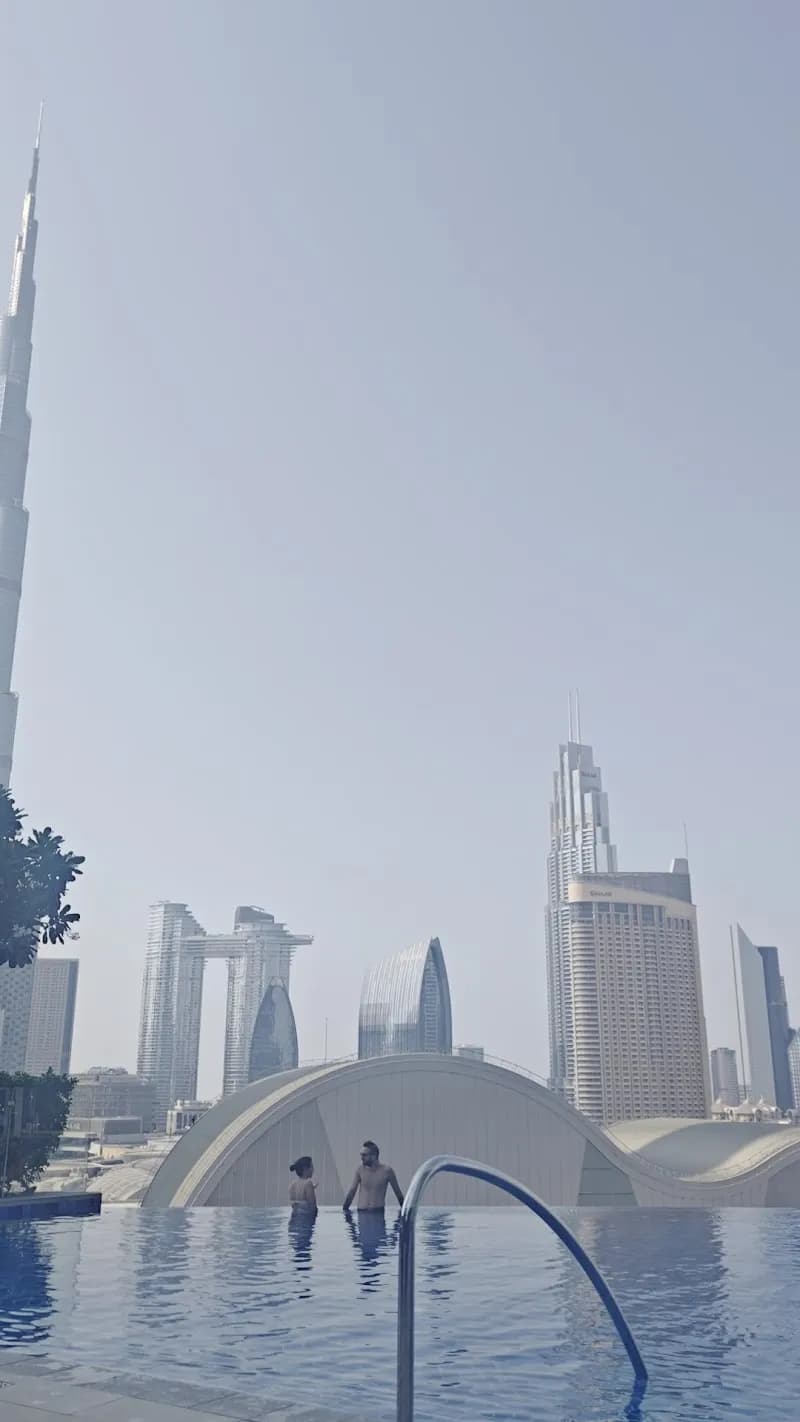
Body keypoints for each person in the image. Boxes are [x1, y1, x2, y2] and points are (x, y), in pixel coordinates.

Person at [343, 1140, 403, 1212]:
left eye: (364, 1155)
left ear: (374, 1155)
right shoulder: (360, 1170)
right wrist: (345, 1210)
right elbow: (352, 1191)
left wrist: (405, 1213)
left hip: (378, 1212)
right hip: (362, 1212)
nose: (362, 1158)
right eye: (361, 1155)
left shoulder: (387, 1171)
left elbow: (398, 1193)